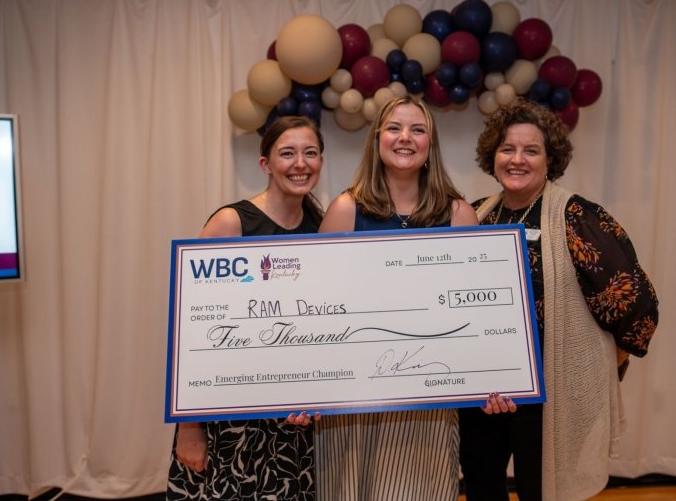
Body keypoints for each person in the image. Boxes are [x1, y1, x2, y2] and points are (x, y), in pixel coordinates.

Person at [459, 98, 659, 501]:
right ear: (492, 156)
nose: (517, 159)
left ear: (550, 159)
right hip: (483, 395)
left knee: (544, 493)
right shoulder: (476, 213)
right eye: (507, 149)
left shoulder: (577, 218)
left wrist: (610, 358)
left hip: (550, 395)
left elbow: (635, 302)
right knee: (482, 488)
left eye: (530, 150)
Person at [315, 95, 496, 500]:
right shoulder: (345, 210)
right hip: (354, 403)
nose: (405, 138)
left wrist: (493, 376)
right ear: (377, 138)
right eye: (395, 127)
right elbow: (319, 310)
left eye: (418, 130)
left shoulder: (458, 214)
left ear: (430, 144)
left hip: (428, 400)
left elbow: (476, 315)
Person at [167, 116, 325, 501]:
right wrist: (189, 428)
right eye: (287, 154)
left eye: (310, 153)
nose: (300, 163)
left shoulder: (320, 227)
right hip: (231, 418)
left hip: (292, 420)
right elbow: (193, 330)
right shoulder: (231, 222)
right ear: (265, 164)